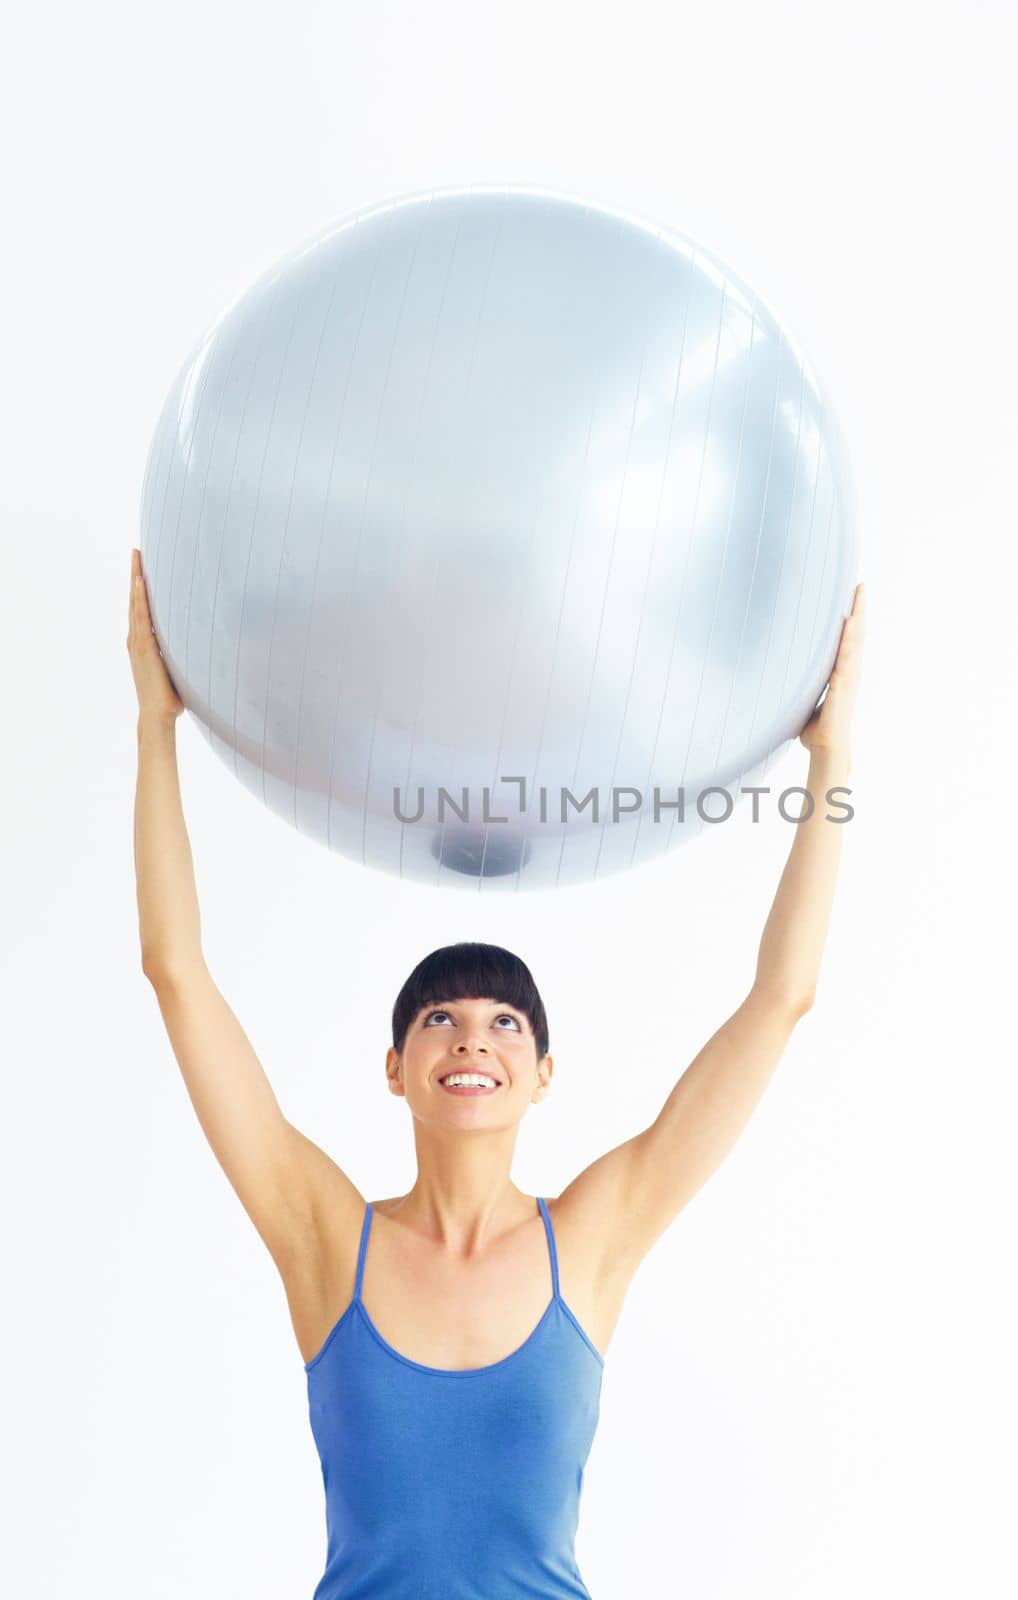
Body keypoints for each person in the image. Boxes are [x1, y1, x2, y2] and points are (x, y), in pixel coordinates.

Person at [127, 546, 866, 1599]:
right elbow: (177, 972)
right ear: (395, 1067)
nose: (473, 1039)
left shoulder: (597, 1234)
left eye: (505, 1022)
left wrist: (831, 764)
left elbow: (780, 999)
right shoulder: (324, 1231)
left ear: (543, 1072)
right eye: (440, 1017)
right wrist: (154, 727)